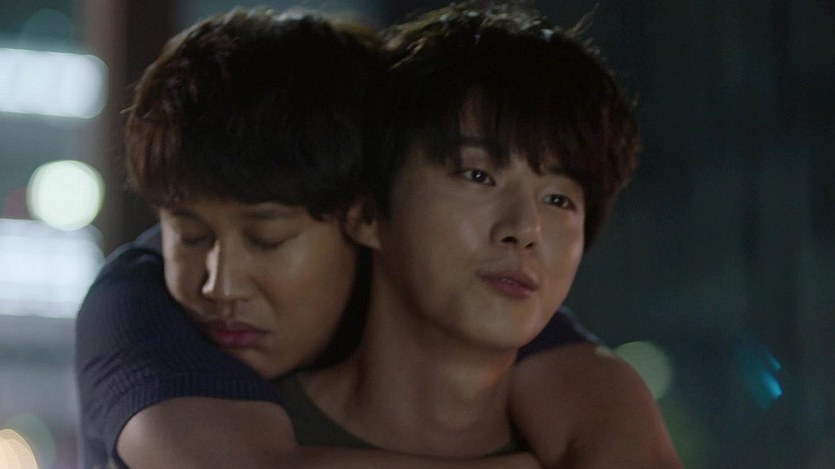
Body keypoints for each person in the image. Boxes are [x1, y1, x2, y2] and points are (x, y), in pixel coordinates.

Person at [75, 6, 603, 469]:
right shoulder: (139, 301)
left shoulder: (439, 289)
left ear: (367, 217)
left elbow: (609, 415)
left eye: (268, 240)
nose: (221, 285)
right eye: (190, 235)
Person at [274, 2, 683, 467]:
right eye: (478, 176)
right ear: (367, 213)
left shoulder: (600, 437)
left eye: (557, 200)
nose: (524, 230)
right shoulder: (243, 433)